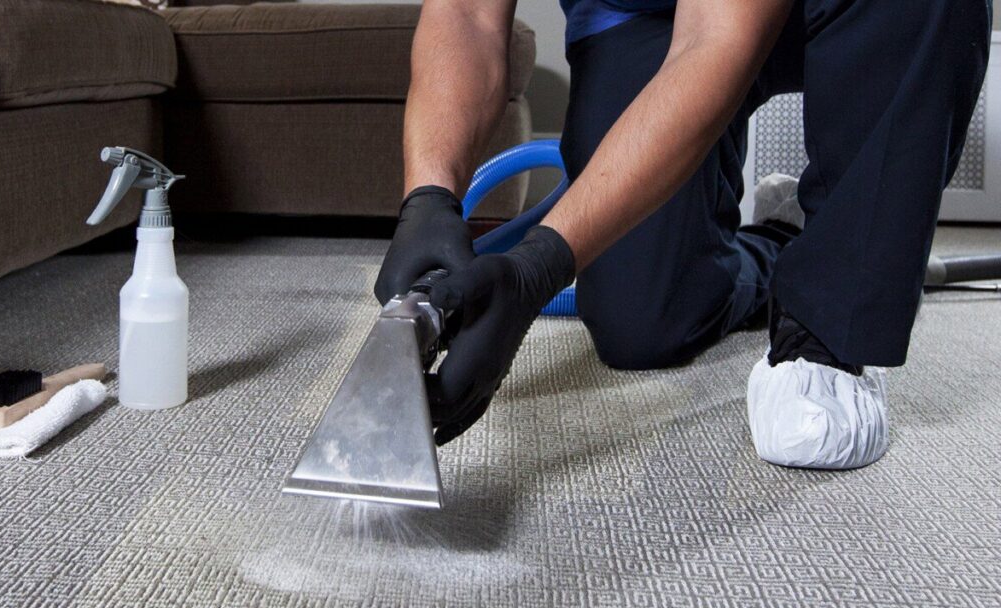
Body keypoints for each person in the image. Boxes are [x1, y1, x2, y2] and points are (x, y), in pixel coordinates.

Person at [374, 0, 991, 467]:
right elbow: (468, 14)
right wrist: (428, 198)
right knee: (641, 322)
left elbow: (717, 36)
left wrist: (540, 265)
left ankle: (830, 330)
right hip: (636, 15)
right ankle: (785, 234)